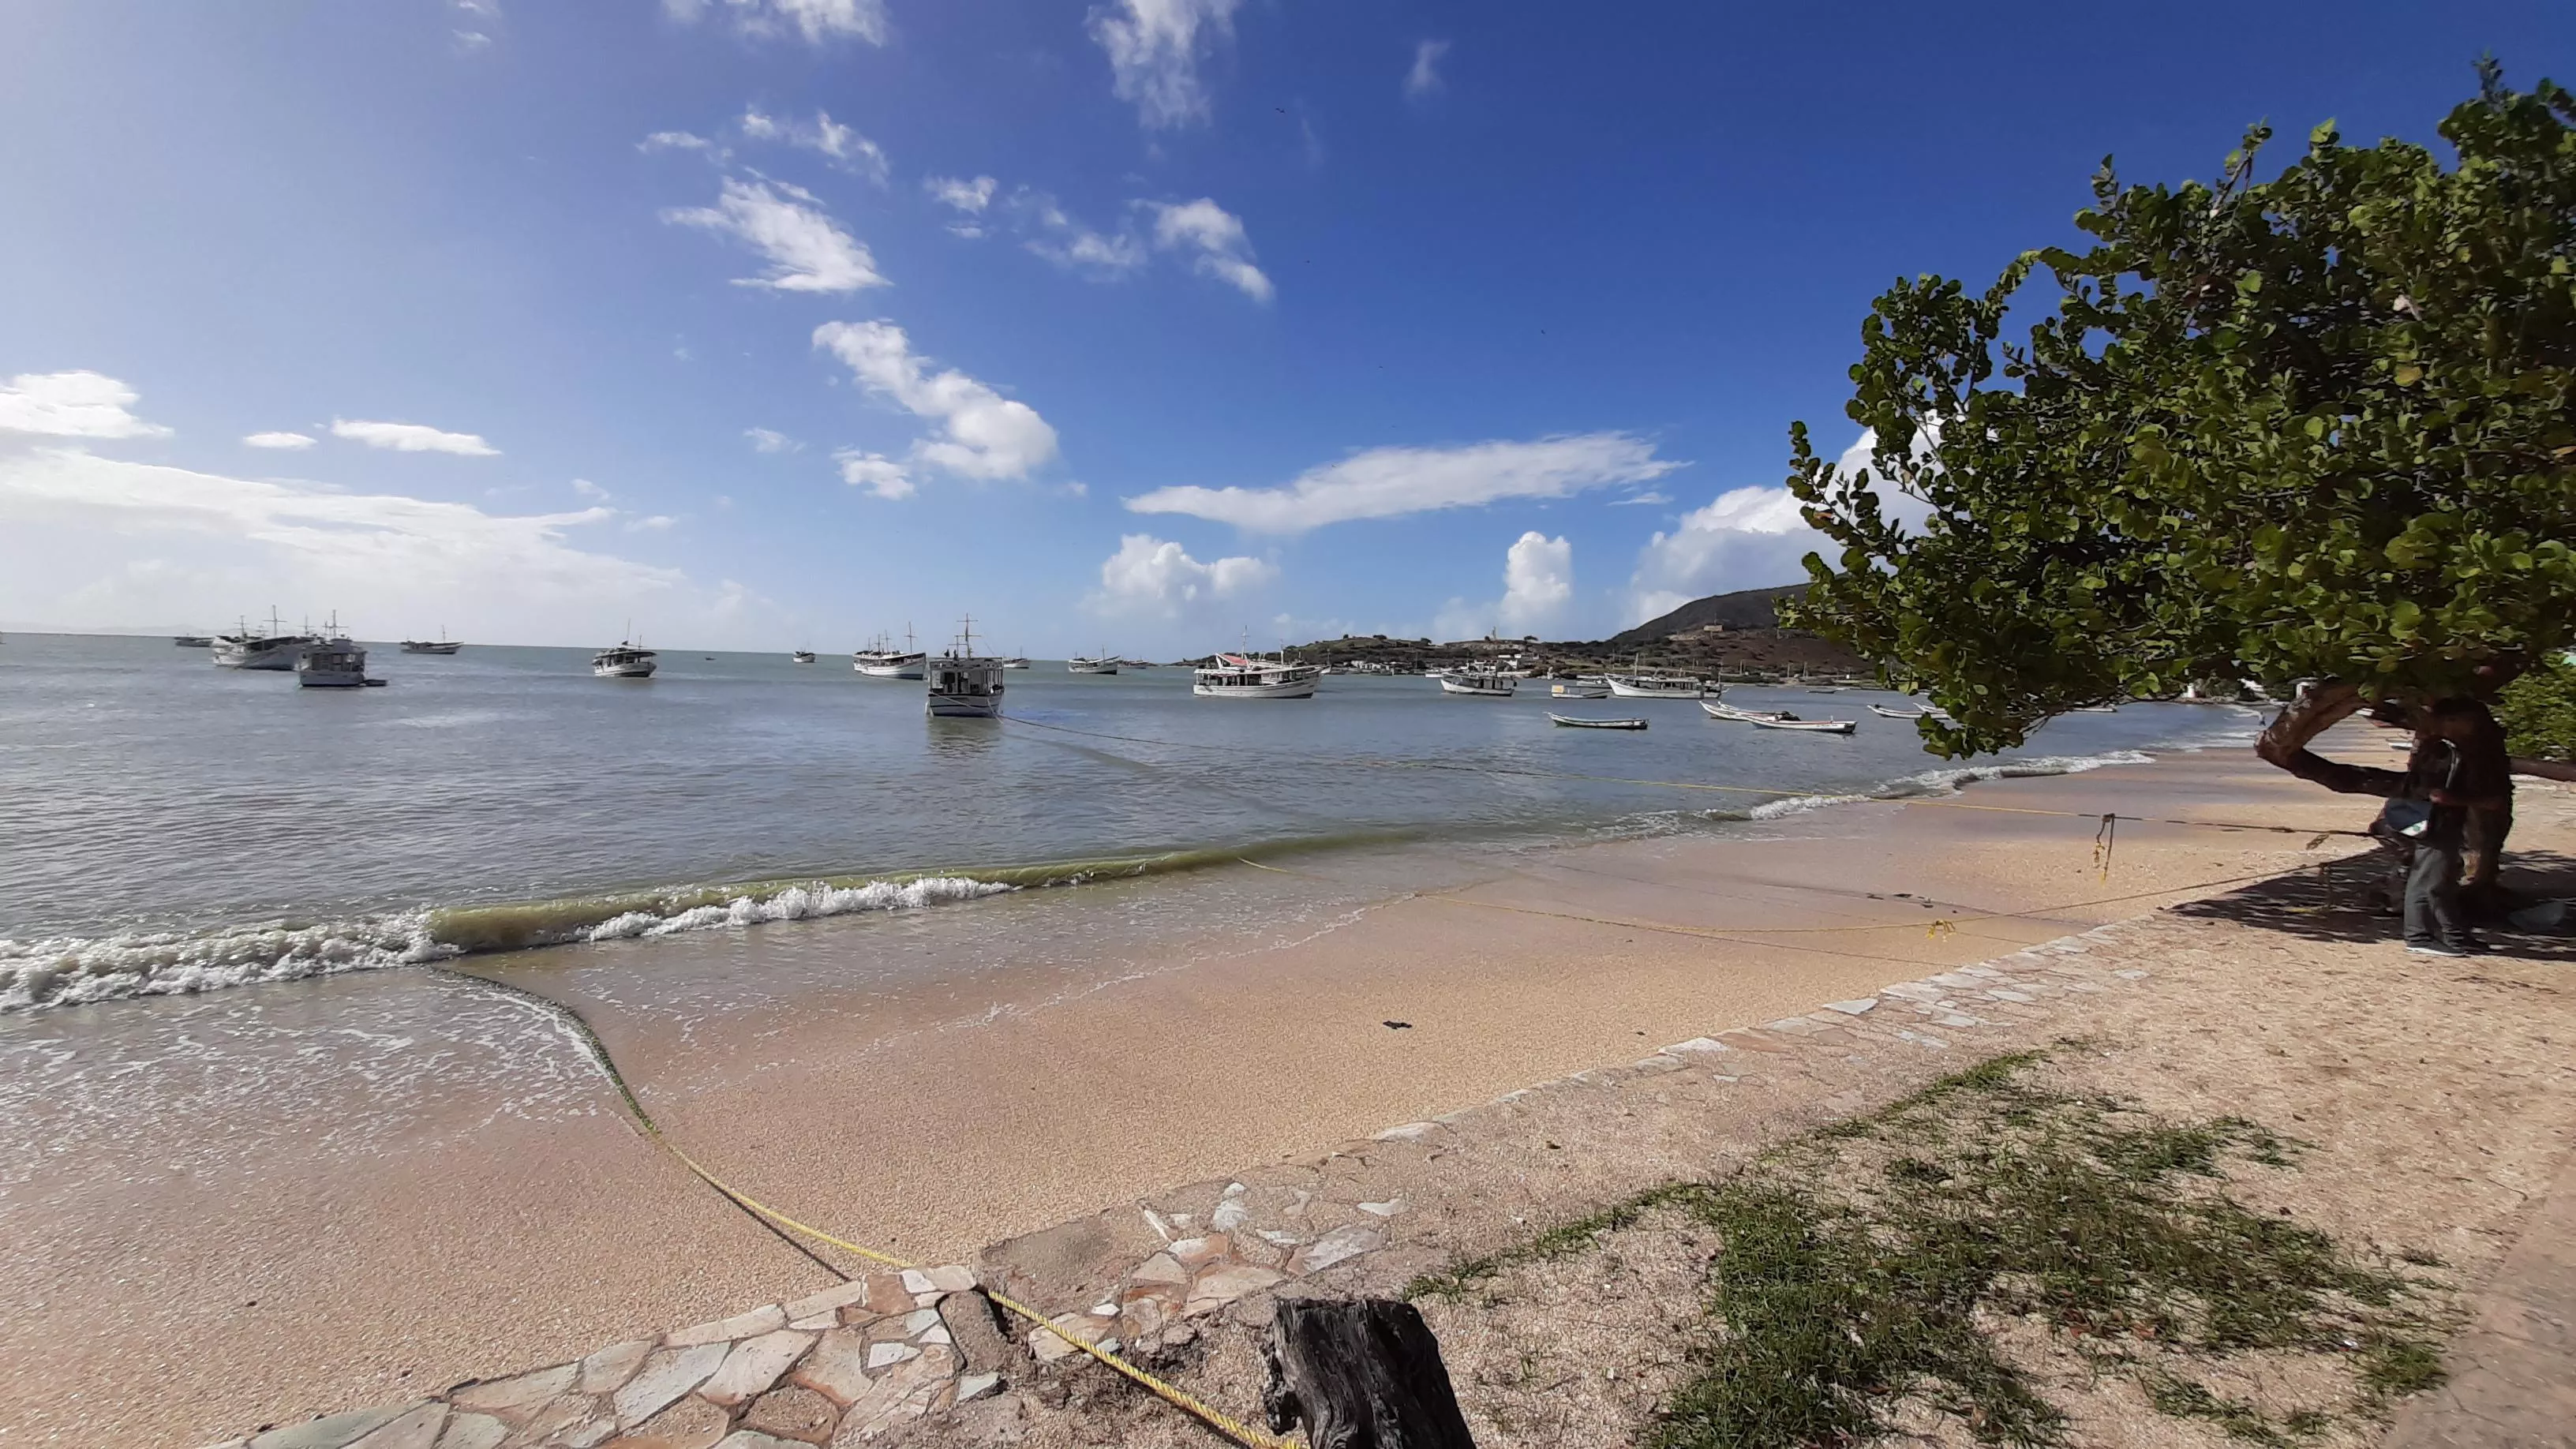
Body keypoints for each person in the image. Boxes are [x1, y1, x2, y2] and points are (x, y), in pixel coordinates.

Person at [2394, 698, 2512, 956]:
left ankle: (2455, 935)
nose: (2474, 726)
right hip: (2435, 822)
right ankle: (2419, 937)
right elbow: (2438, 795)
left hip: (2437, 820)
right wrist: (2482, 802)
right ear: (2450, 722)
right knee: (2429, 881)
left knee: (2442, 880)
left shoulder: (2440, 747)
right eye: (2467, 720)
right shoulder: (2443, 750)